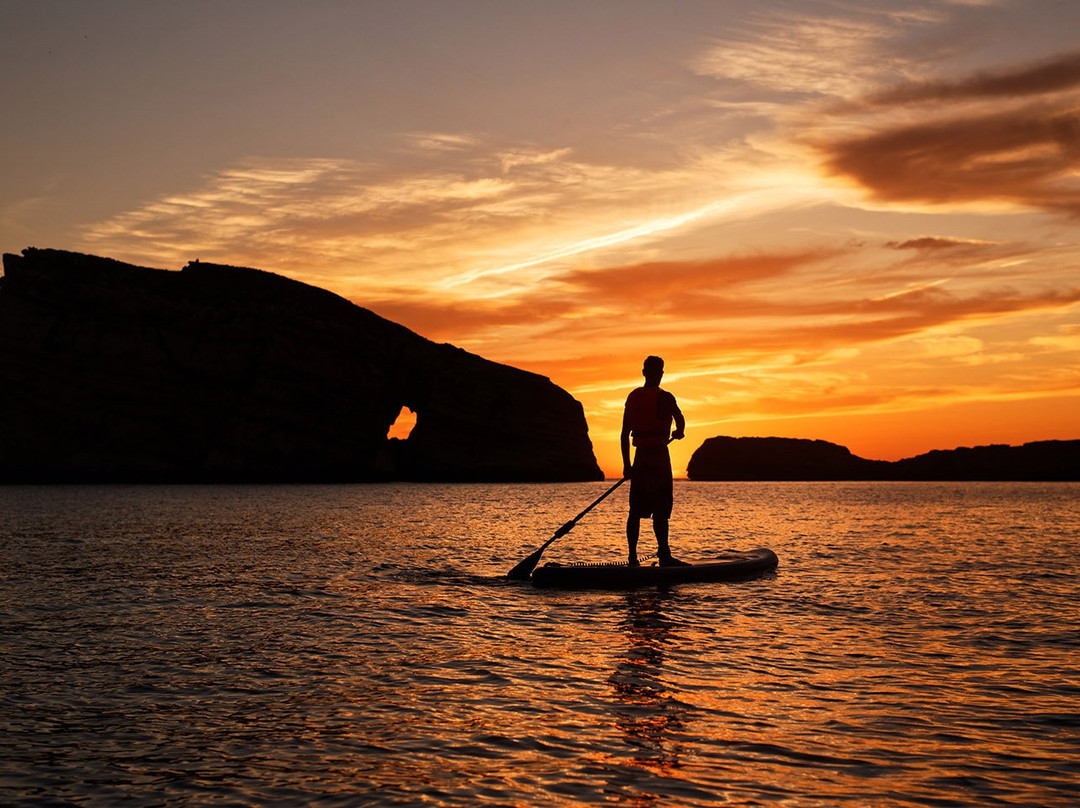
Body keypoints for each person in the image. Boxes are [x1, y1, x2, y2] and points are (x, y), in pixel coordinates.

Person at [621, 355, 688, 567]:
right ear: (653, 373)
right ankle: (662, 556)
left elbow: (624, 435)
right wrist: (679, 432)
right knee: (656, 511)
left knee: (640, 511)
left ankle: (635, 558)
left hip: (642, 458)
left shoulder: (635, 396)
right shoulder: (665, 397)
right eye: (656, 372)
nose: (657, 375)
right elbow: (680, 420)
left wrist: (627, 465)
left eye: (658, 372)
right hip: (657, 458)